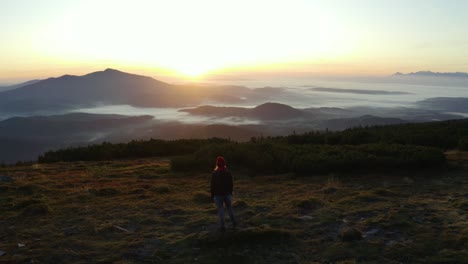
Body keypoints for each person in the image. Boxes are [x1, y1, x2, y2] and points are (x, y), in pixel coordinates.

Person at [210, 156, 236, 232]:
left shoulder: (214, 173)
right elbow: (231, 184)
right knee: (229, 208)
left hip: (218, 195)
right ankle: (234, 222)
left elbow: (212, 185)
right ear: (224, 163)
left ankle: (222, 226)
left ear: (217, 164)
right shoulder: (228, 172)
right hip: (227, 194)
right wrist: (230, 193)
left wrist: (212, 195)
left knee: (221, 210)